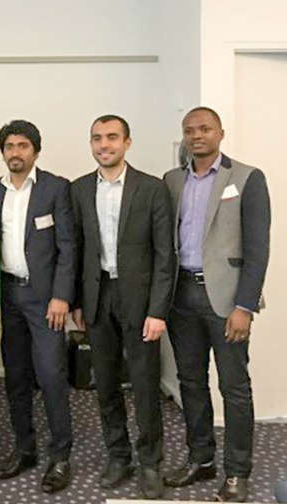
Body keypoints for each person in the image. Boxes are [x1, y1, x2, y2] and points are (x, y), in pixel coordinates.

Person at [163, 106, 270, 503]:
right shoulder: (172, 180)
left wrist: (245, 305)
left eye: (204, 129)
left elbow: (258, 249)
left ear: (220, 133)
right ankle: (201, 458)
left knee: (234, 388)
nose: (197, 136)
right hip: (181, 297)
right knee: (190, 383)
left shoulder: (246, 178)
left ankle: (238, 472)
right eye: (189, 130)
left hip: (226, 300)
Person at [71, 115, 174, 500]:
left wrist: (159, 310)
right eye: (96, 138)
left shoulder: (152, 188)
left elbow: (166, 255)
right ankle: (119, 455)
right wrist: (79, 301)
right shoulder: (80, 189)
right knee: (106, 384)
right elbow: (78, 249)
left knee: (146, 384)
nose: (104, 145)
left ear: (127, 142)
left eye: (112, 137)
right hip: (98, 299)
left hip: (141, 301)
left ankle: (151, 463)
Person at [0, 120, 75, 493]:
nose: (16, 152)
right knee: (16, 376)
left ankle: (60, 456)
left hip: (45, 299)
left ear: (35, 151)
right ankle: (25, 448)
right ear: (3, 151)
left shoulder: (56, 188)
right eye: (10, 146)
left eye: (23, 146)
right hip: (8, 295)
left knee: (52, 376)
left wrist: (62, 297)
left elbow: (69, 247)